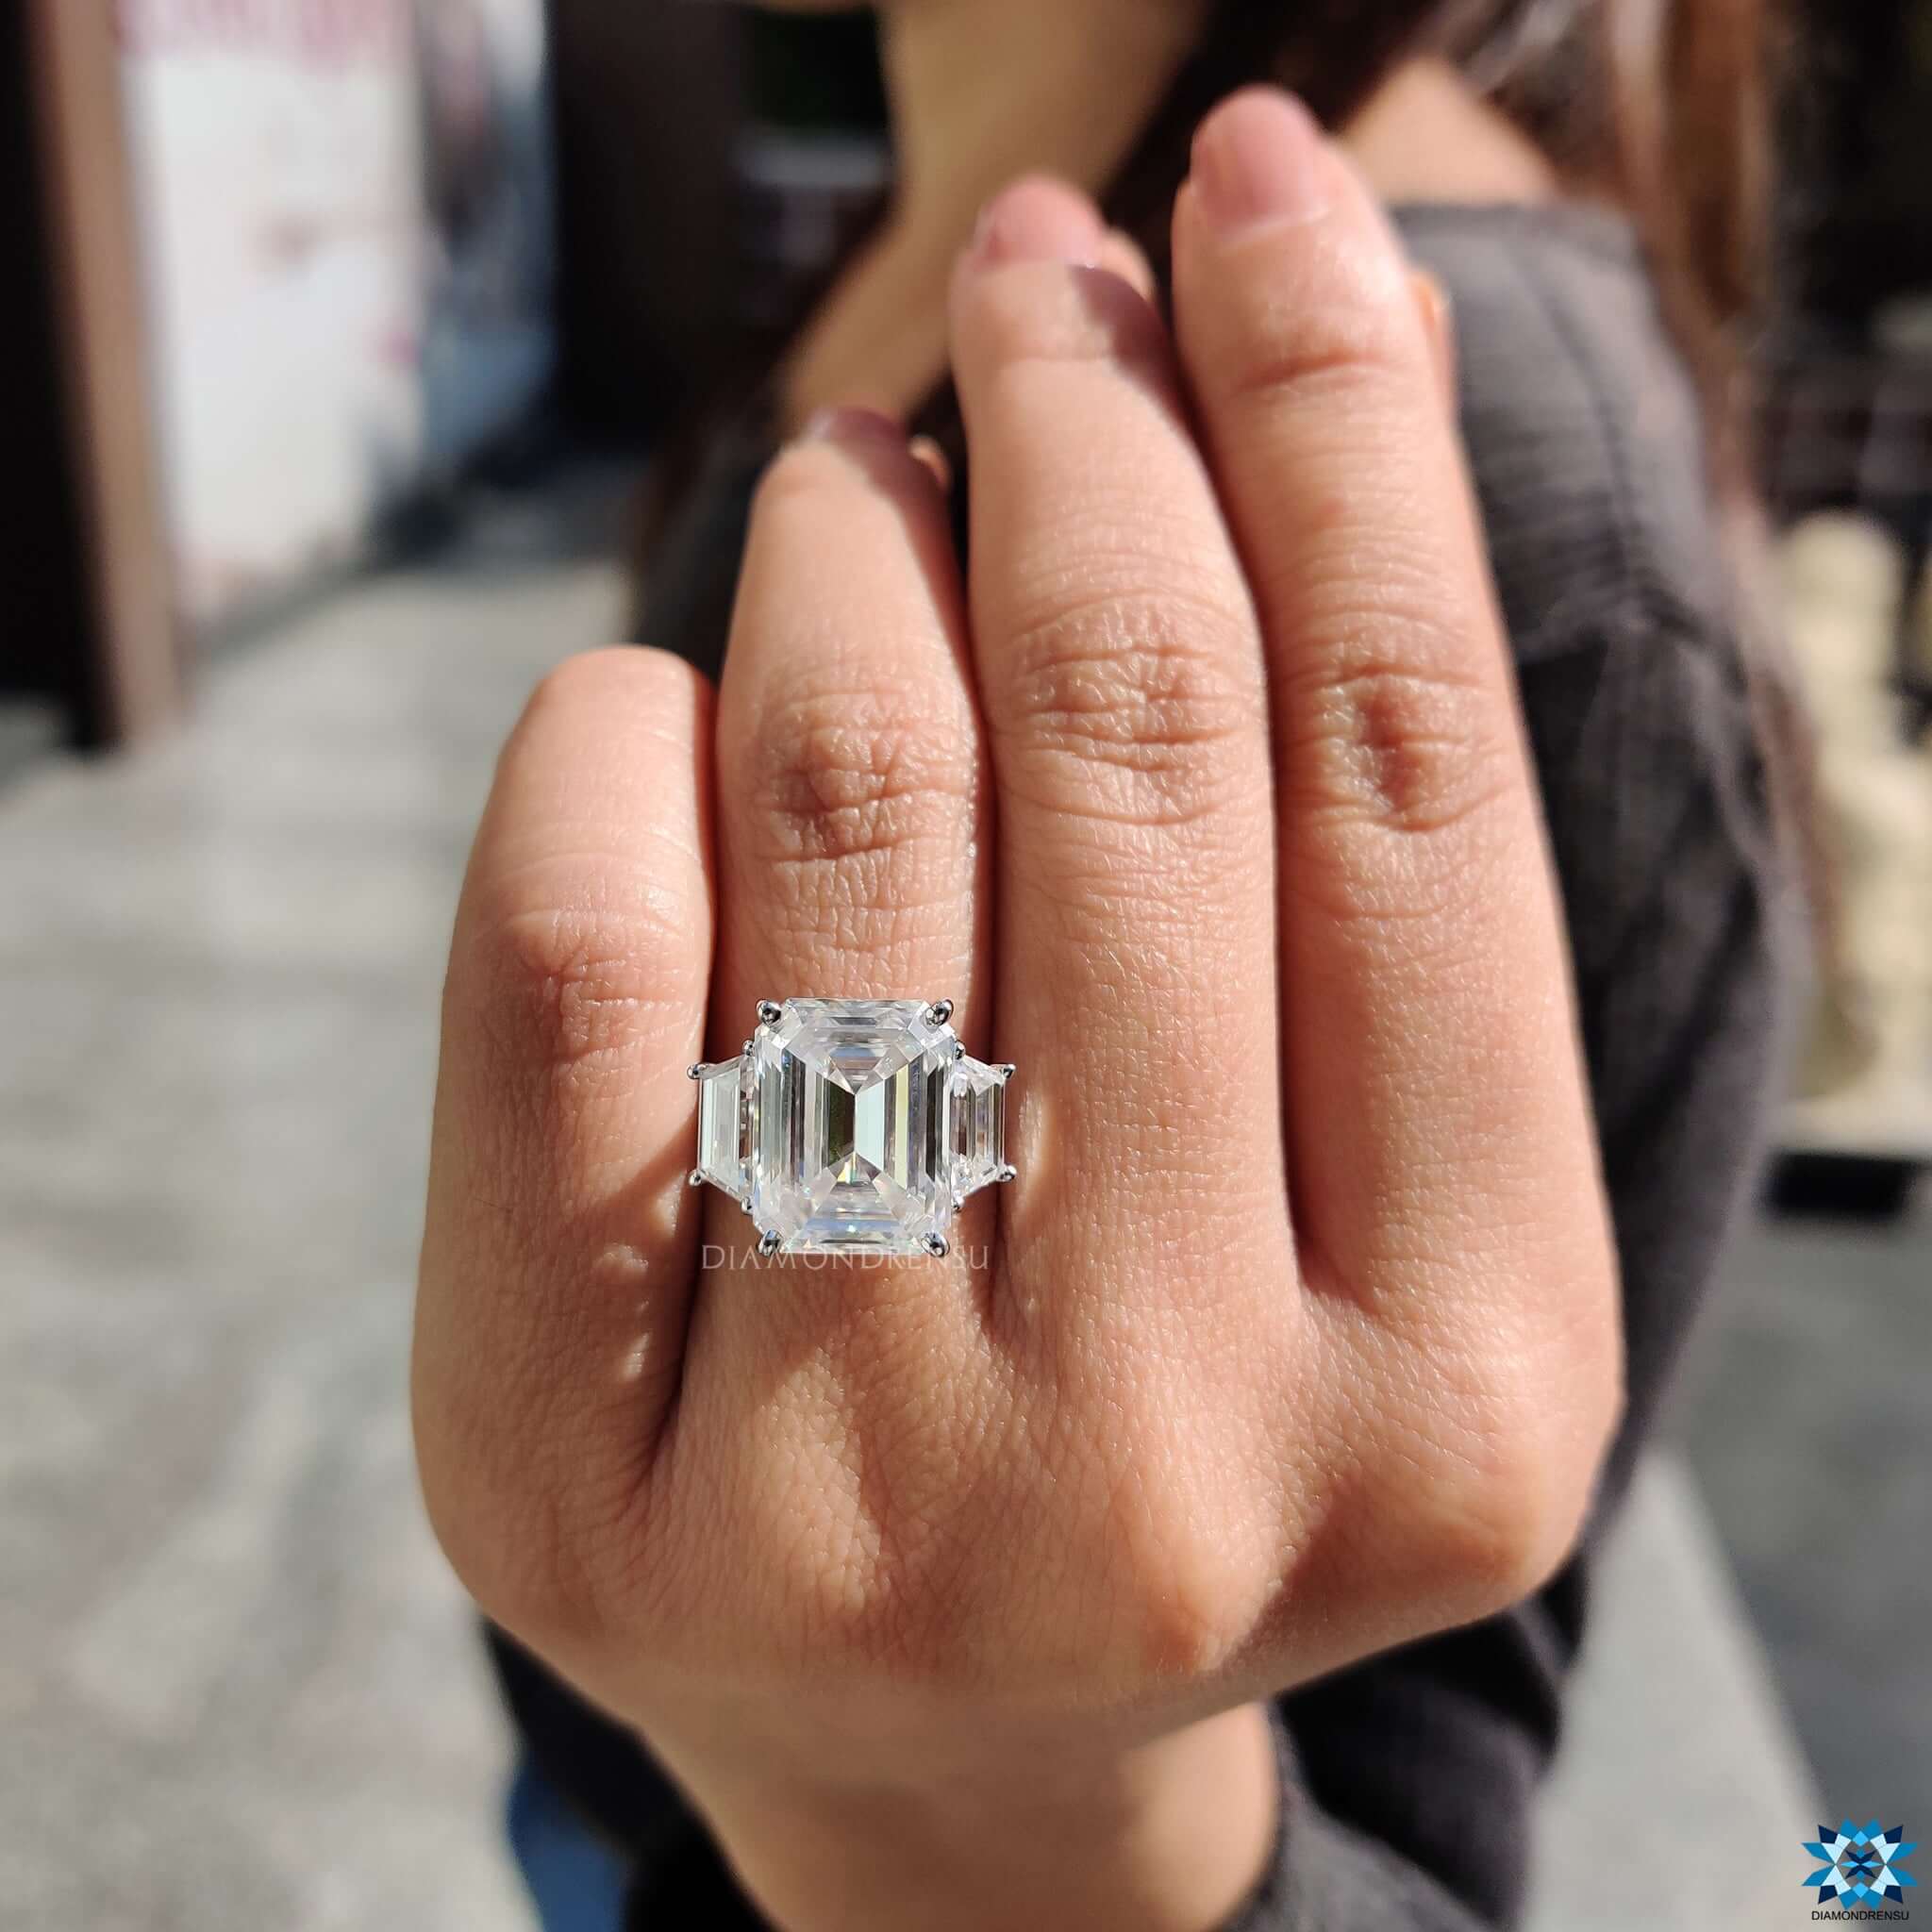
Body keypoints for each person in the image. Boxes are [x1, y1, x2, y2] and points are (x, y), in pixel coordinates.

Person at [412, 4, 1789, 1927]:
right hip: (639, 1766)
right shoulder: (980, 171)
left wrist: (948, 1814)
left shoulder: (1487, 471)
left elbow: (1420, 1803)